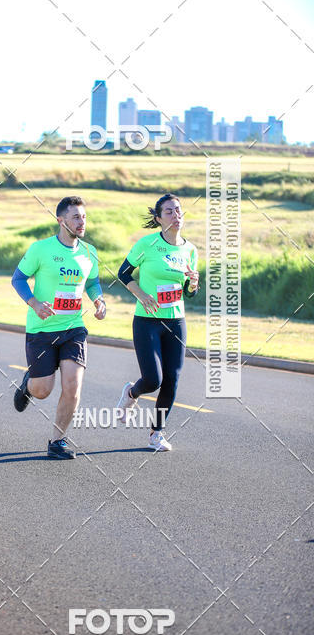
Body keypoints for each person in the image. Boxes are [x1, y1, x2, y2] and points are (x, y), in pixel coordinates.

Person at [11, 196, 106, 459]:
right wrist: (33, 302)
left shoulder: (89, 252)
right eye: (76, 217)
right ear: (60, 220)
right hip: (41, 329)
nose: (81, 222)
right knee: (43, 391)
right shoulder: (40, 249)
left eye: (84, 217)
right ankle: (28, 385)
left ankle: (57, 441)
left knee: (73, 385)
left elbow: (92, 282)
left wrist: (99, 301)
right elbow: (18, 278)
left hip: (74, 328)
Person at [116, 193, 199, 452]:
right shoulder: (147, 244)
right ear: (158, 218)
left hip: (176, 320)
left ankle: (156, 433)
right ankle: (131, 393)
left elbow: (189, 291)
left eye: (178, 210)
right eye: (169, 212)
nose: (176, 216)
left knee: (172, 379)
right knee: (152, 380)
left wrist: (193, 283)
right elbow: (123, 273)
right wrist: (142, 295)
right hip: (147, 320)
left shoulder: (190, 249)